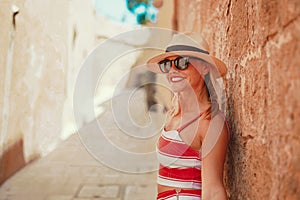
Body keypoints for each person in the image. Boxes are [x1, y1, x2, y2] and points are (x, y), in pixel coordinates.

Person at [147, 32, 230, 200]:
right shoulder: (174, 111)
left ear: (205, 67)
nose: (172, 70)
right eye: (167, 65)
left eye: (181, 62)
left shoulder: (210, 122)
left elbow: (214, 192)